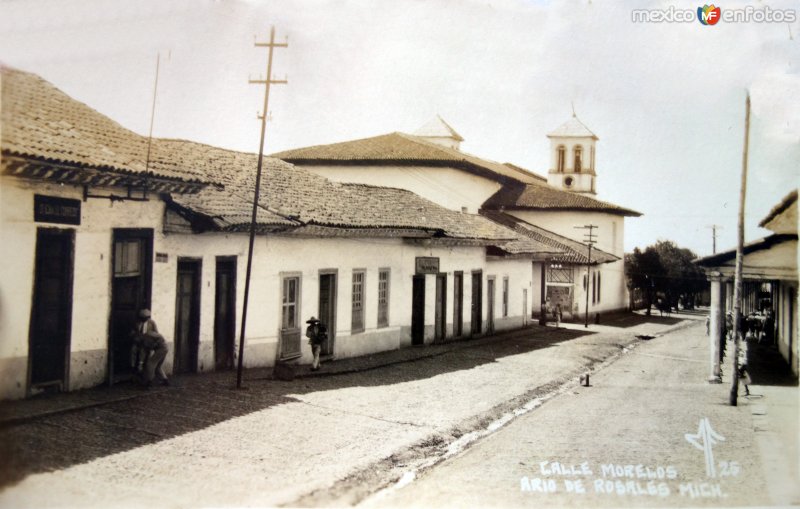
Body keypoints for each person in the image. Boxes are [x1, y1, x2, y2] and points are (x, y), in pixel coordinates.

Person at [130, 309, 170, 387]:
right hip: (162, 347)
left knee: (150, 364)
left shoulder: (148, 335)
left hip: (161, 348)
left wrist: (154, 344)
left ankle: (149, 382)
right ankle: (165, 380)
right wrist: (140, 364)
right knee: (158, 366)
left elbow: (159, 337)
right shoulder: (141, 330)